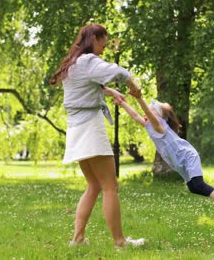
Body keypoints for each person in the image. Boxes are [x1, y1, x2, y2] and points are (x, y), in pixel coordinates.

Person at [50, 24, 145, 247]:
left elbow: (84, 87)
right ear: (94, 37)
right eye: (103, 40)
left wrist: (108, 91)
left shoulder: (73, 63)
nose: (104, 46)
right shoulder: (88, 61)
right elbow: (118, 72)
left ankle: (78, 239)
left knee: (94, 184)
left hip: (76, 128)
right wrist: (135, 87)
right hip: (91, 128)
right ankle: (120, 241)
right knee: (110, 186)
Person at [118, 89, 214, 220]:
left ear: (159, 117)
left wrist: (139, 98)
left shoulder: (158, 126)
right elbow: (135, 116)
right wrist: (122, 103)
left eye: (151, 112)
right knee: (193, 187)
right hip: (179, 161)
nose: (145, 114)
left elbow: (148, 113)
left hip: (187, 156)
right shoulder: (149, 125)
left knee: (198, 183)